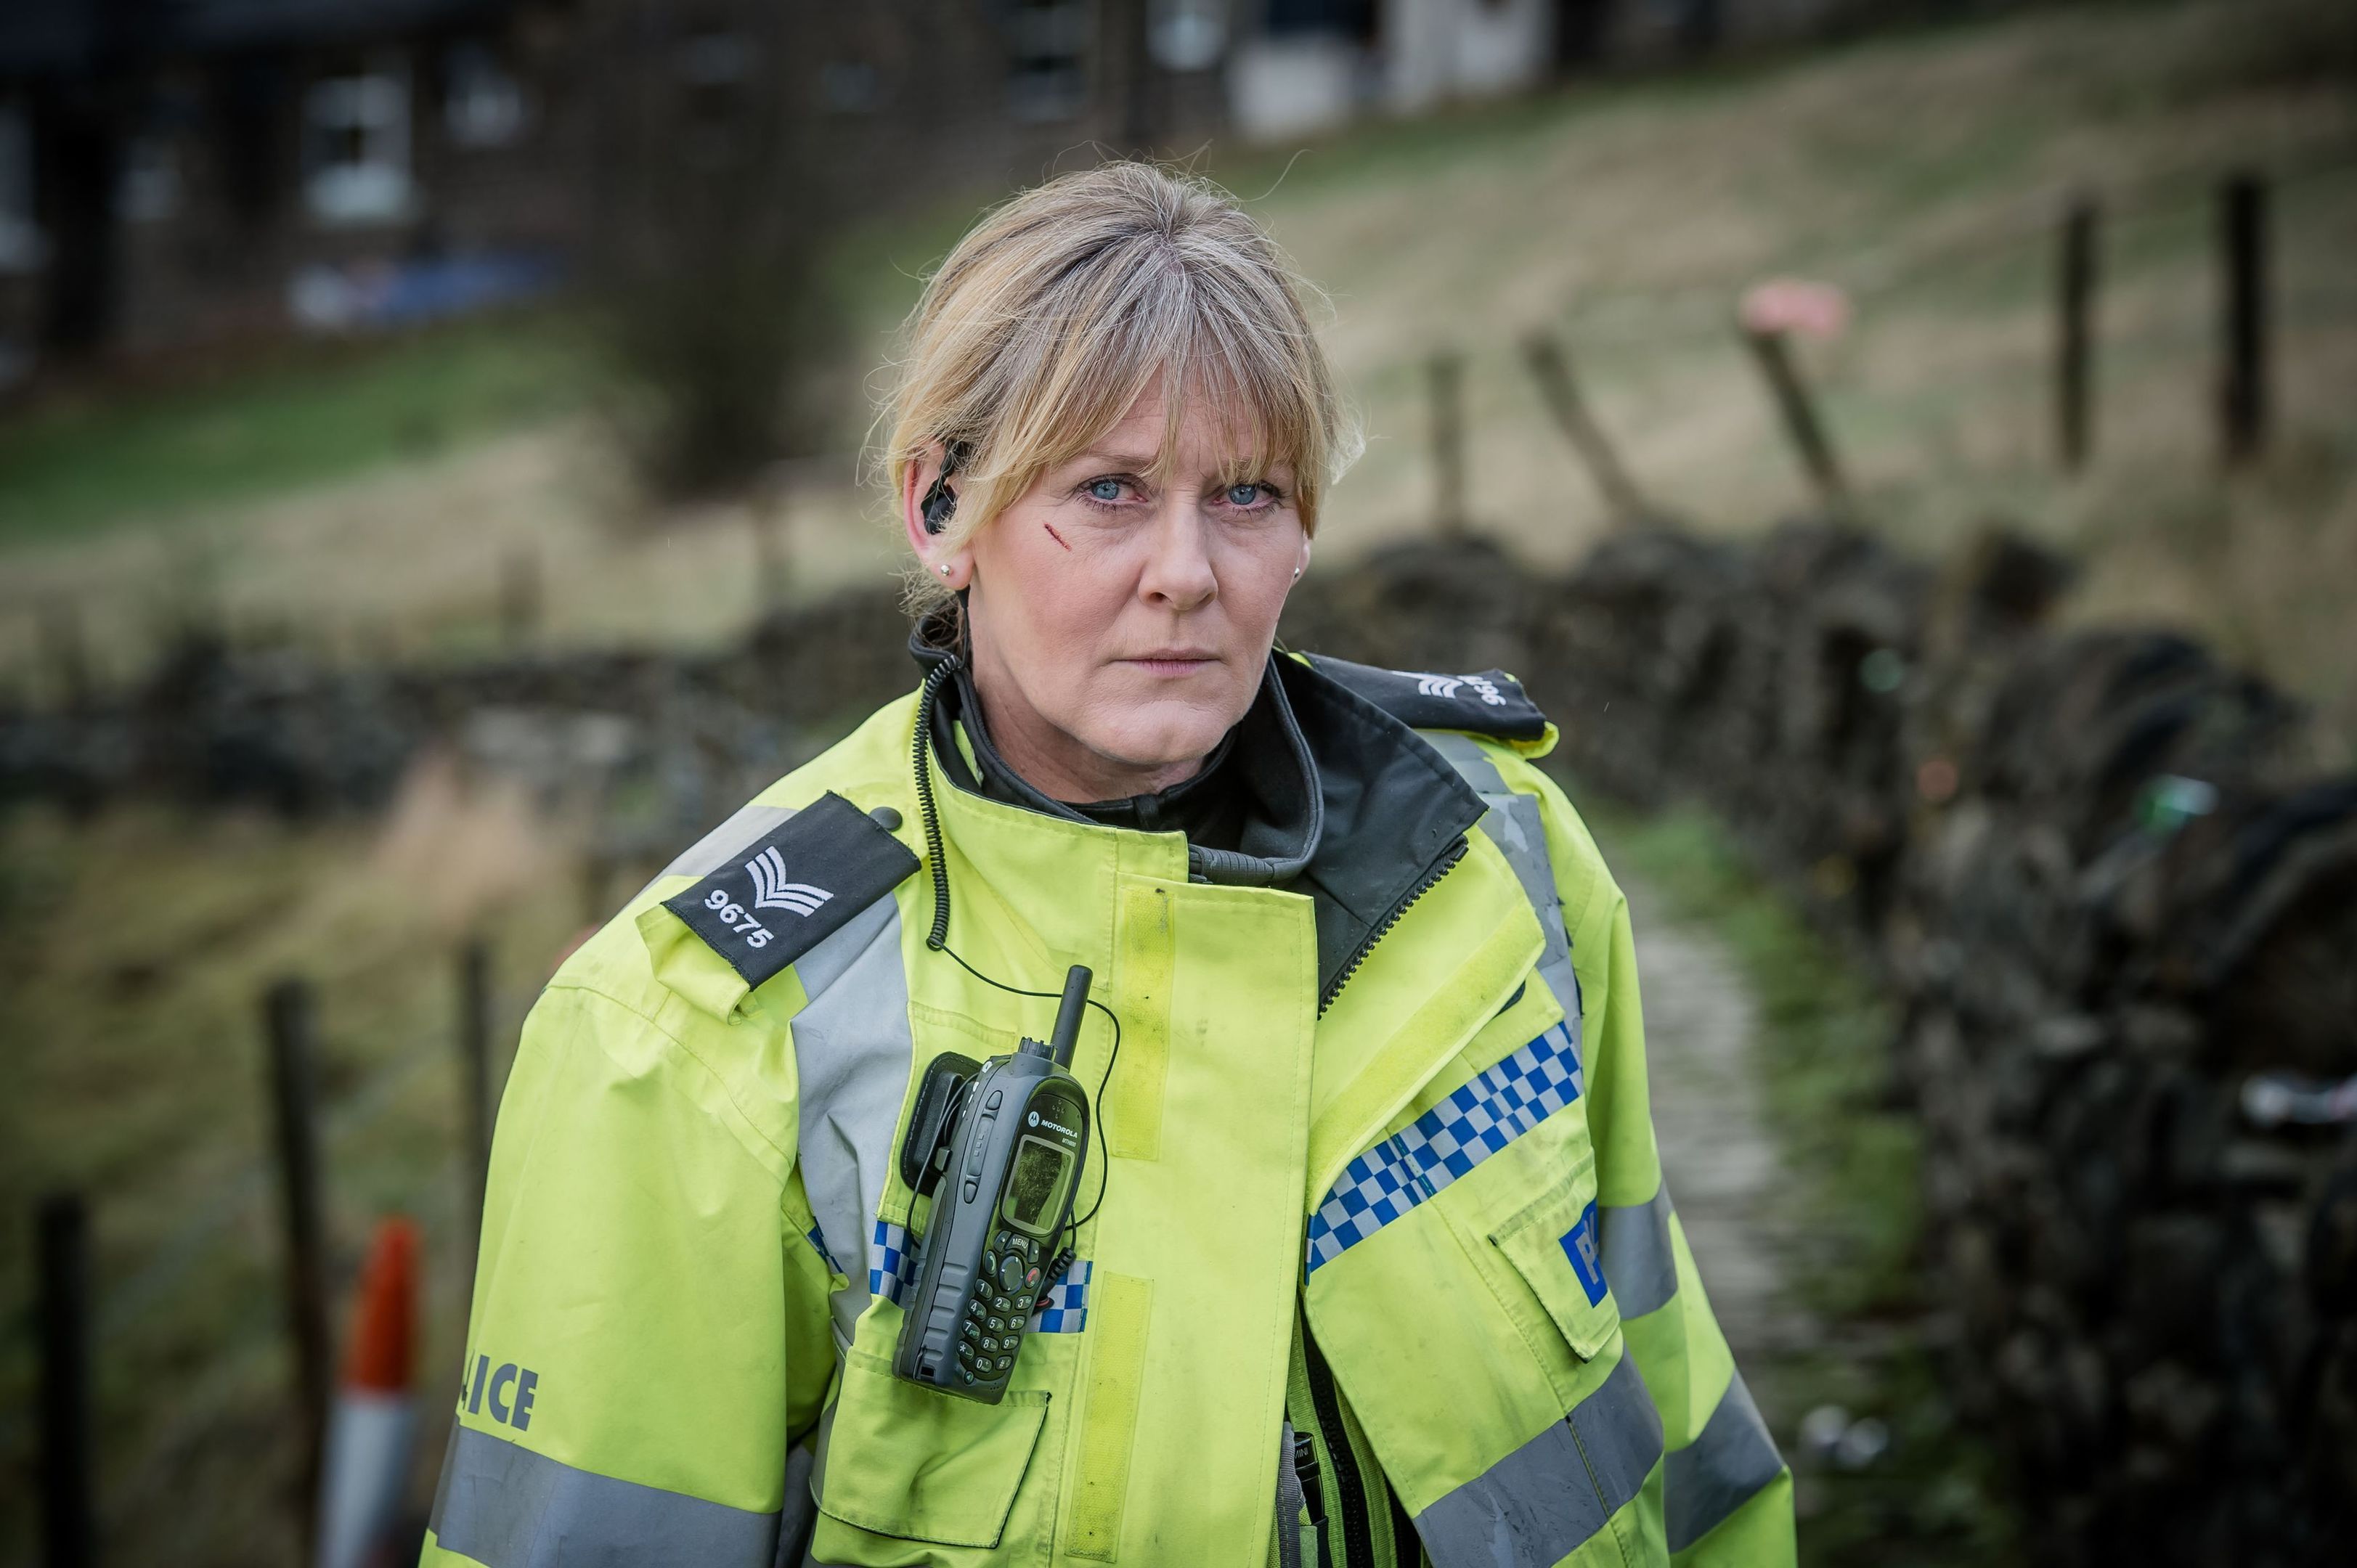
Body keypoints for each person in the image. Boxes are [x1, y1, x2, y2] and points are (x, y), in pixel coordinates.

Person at [420, 162, 1793, 1568]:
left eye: (1247, 493)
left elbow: (1687, 1458)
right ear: (938, 512)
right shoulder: (688, 1038)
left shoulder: (1498, 861)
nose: (1187, 571)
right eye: (1111, 490)